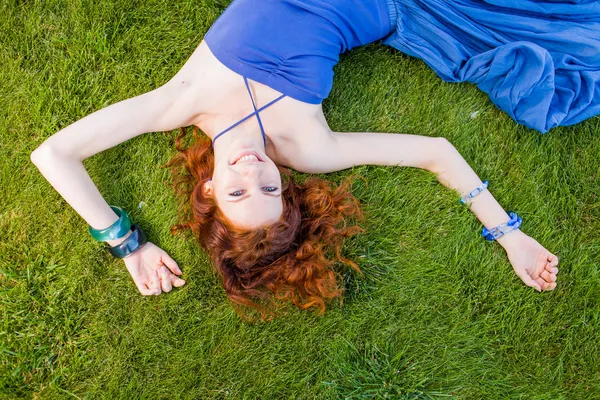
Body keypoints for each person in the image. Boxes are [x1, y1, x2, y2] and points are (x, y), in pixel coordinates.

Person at [32, 0, 600, 319]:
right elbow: (436, 153)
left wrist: (127, 246)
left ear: (207, 191)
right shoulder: (309, 149)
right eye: (269, 190)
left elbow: (54, 153)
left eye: (236, 192)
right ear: (287, 187)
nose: (252, 172)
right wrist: (508, 234)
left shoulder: (180, 101)